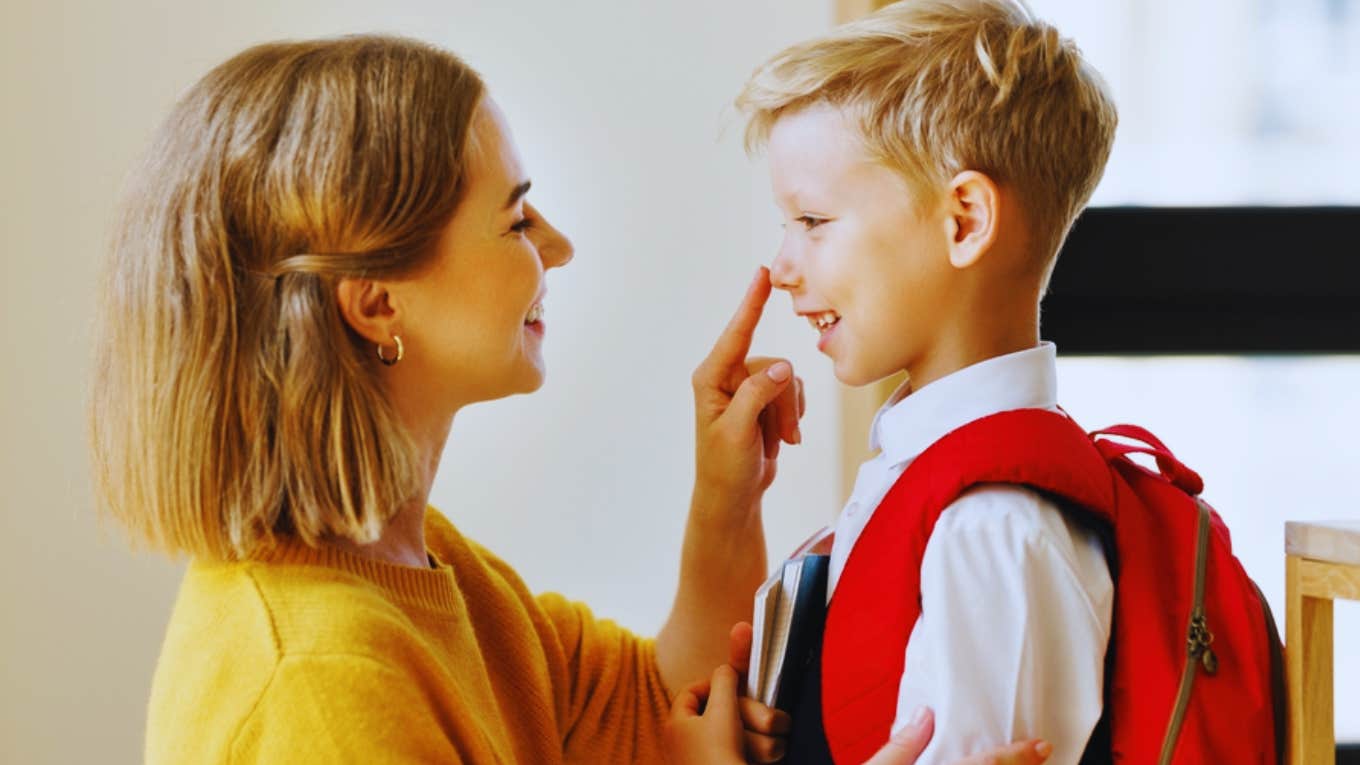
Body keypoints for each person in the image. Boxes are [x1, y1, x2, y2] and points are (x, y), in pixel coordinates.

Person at [90, 32, 1058, 765]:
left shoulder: (429, 567)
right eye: (516, 217)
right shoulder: (317, 683)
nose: (555, 246)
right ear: (377, 303)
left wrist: (726, 497)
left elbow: (655, 710)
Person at [694, 0, 1118, 762]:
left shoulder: (992, 529)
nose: (783, 269)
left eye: (814, 222)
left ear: (963, 221)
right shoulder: (927, 479)